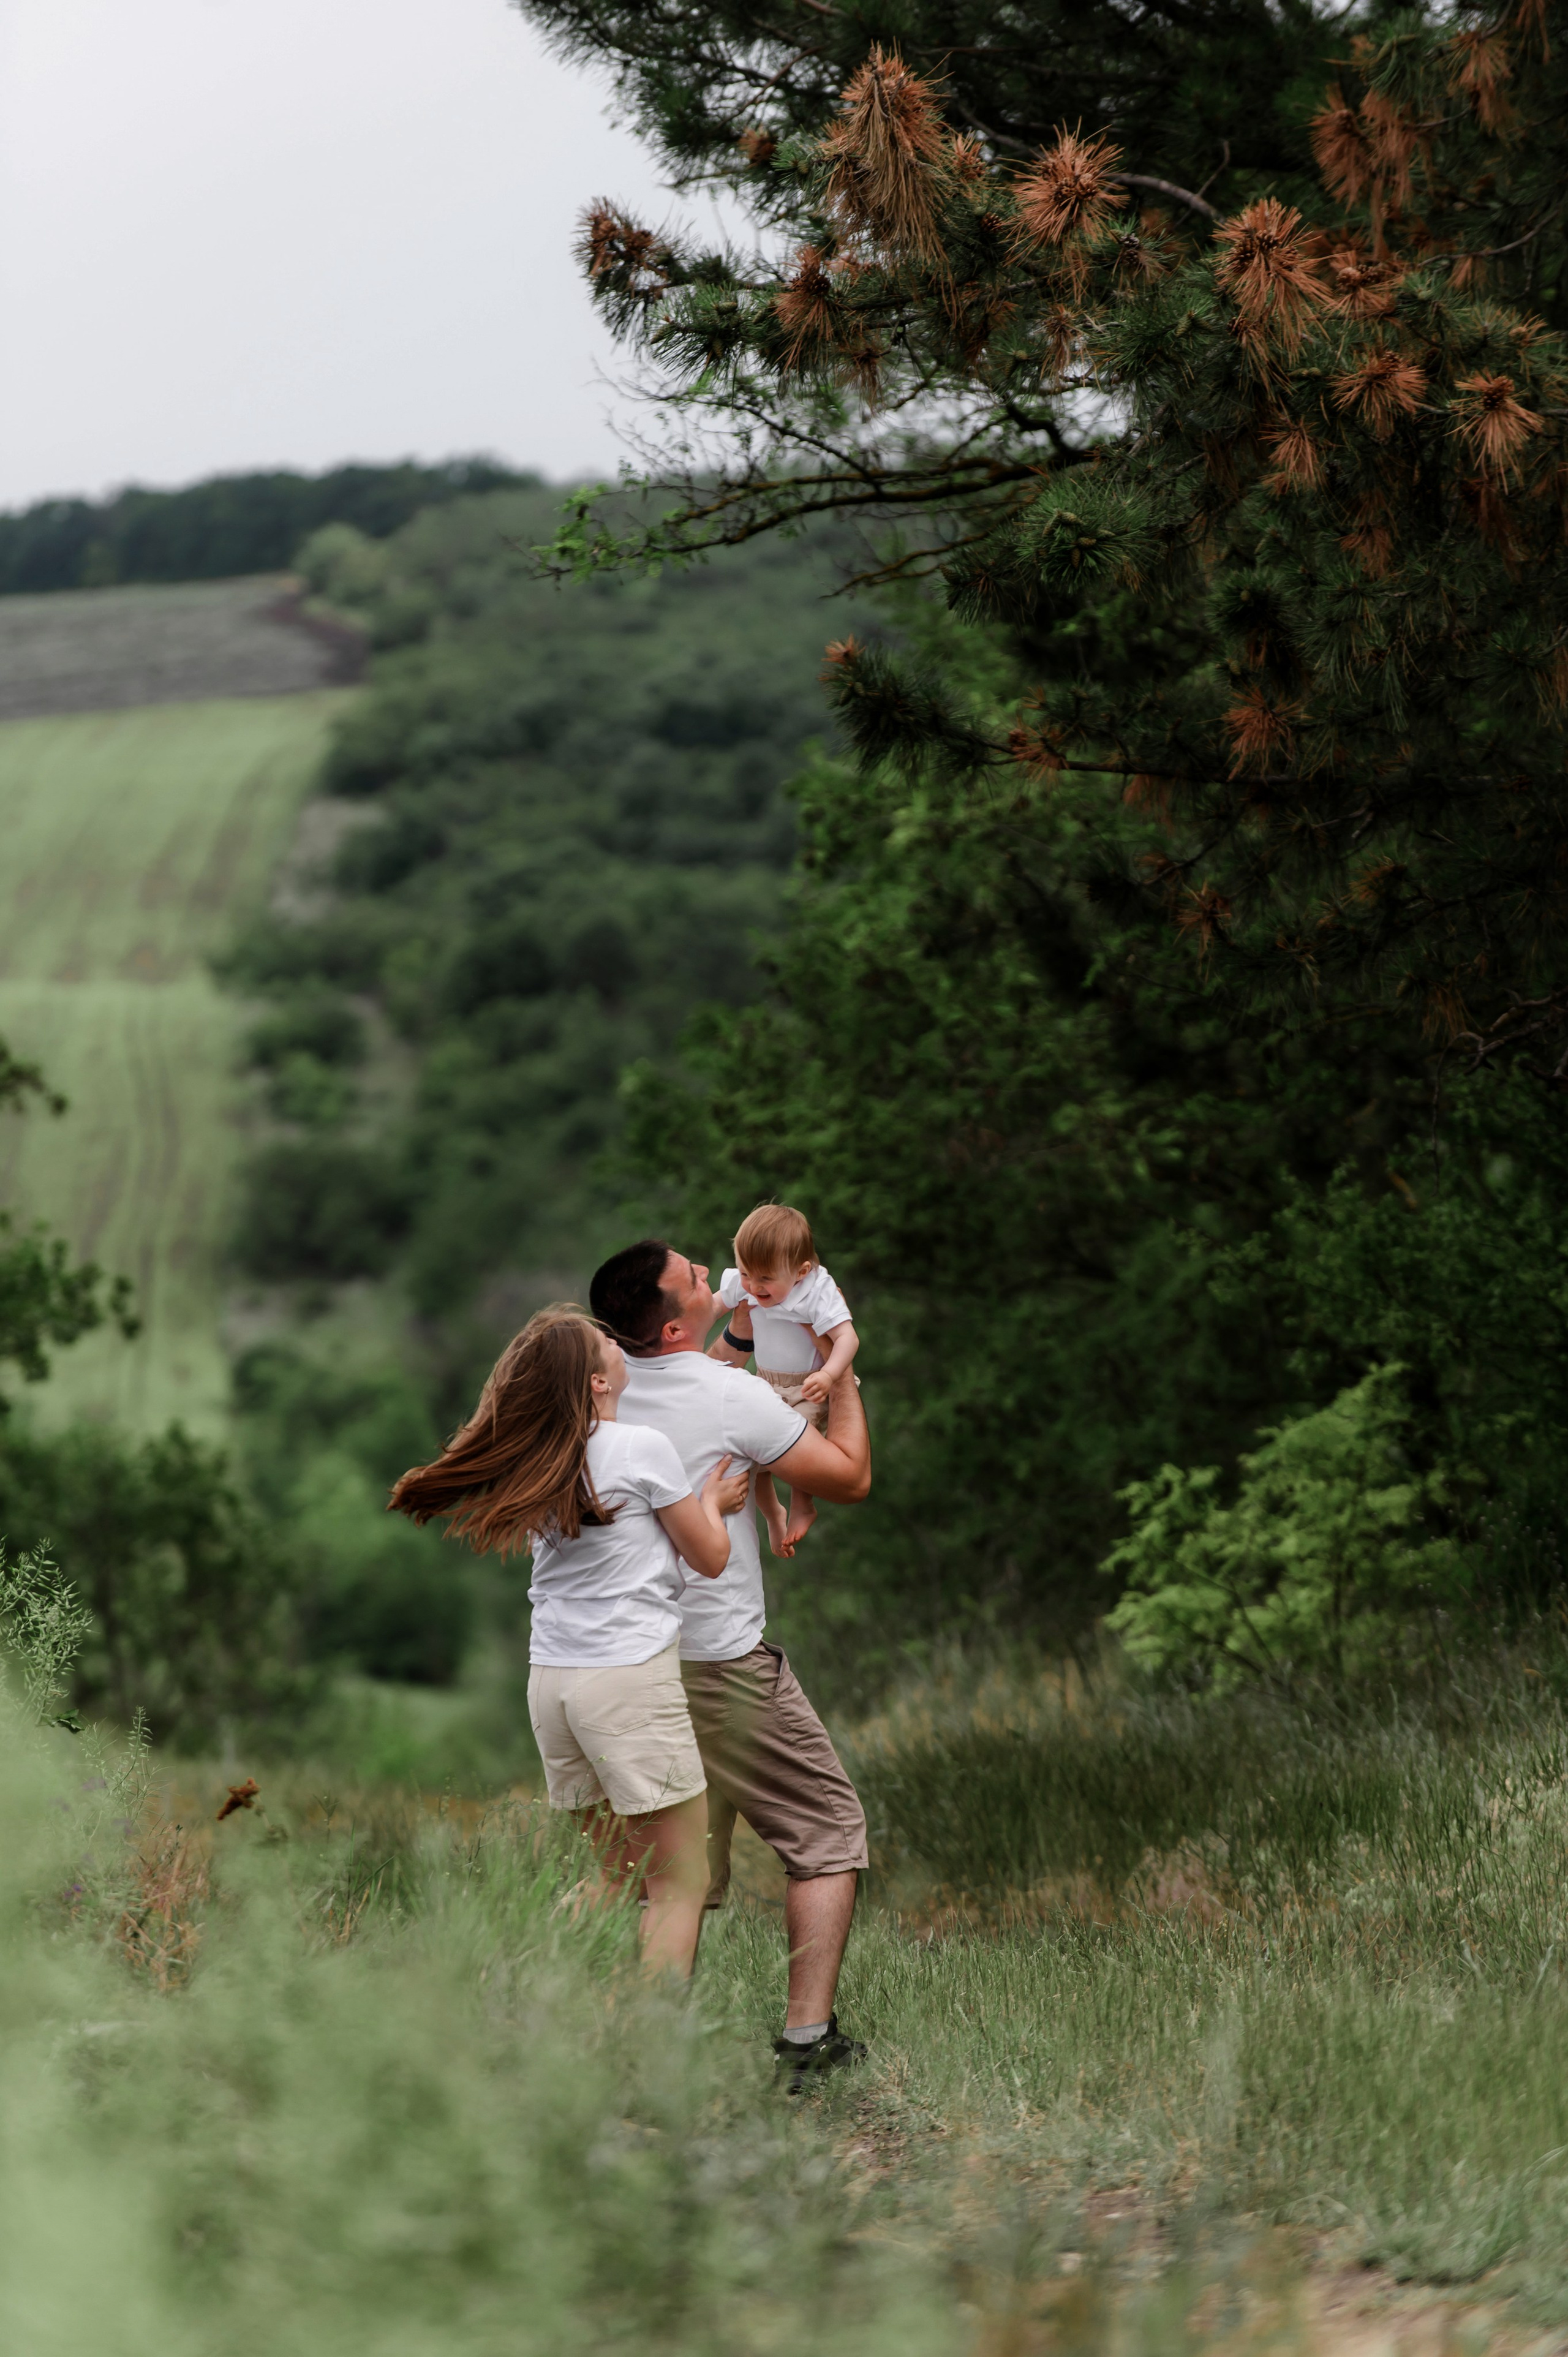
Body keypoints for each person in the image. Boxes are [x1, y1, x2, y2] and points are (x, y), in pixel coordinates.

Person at [589, 1240, 873, 2089]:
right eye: (691, 1275)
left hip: (627, 1665)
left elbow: (716, 1365)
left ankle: (633, 2057)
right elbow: (849, 1477)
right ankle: (806, 2044)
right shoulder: (729, 1399)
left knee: (664, 1878)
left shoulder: (603, 1396)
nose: (711, 1270)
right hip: (721, 1665)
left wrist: (752, 1341)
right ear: (673, 1322)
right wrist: (840, 1371)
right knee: (826, 1836)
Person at [388, 1305, 744, 1978]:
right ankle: (653, 2049)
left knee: (614, 1877)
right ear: (596, 1383)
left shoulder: (542, 1467)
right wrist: (713, 1505)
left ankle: (528, 1995)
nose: (616, 1344)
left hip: (552, 1684)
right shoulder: (641, 1447)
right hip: (625, 1680)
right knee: (678, 1882)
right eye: (604, 1342)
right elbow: (708, 1558)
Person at [716, 1201, 860, 1556]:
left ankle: (802, 1504)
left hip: (809, 1385)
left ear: (801, 1271)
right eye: (745, 1273)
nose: (753, 1286)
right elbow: (714, 1303)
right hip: (766, 1381)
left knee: (800, 1443)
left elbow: (848, 1339)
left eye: (766, 1279)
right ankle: (771, 1514)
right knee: (756, 1459)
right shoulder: (747, 1282)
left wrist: (829, 1375)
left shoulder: (817, 1290)